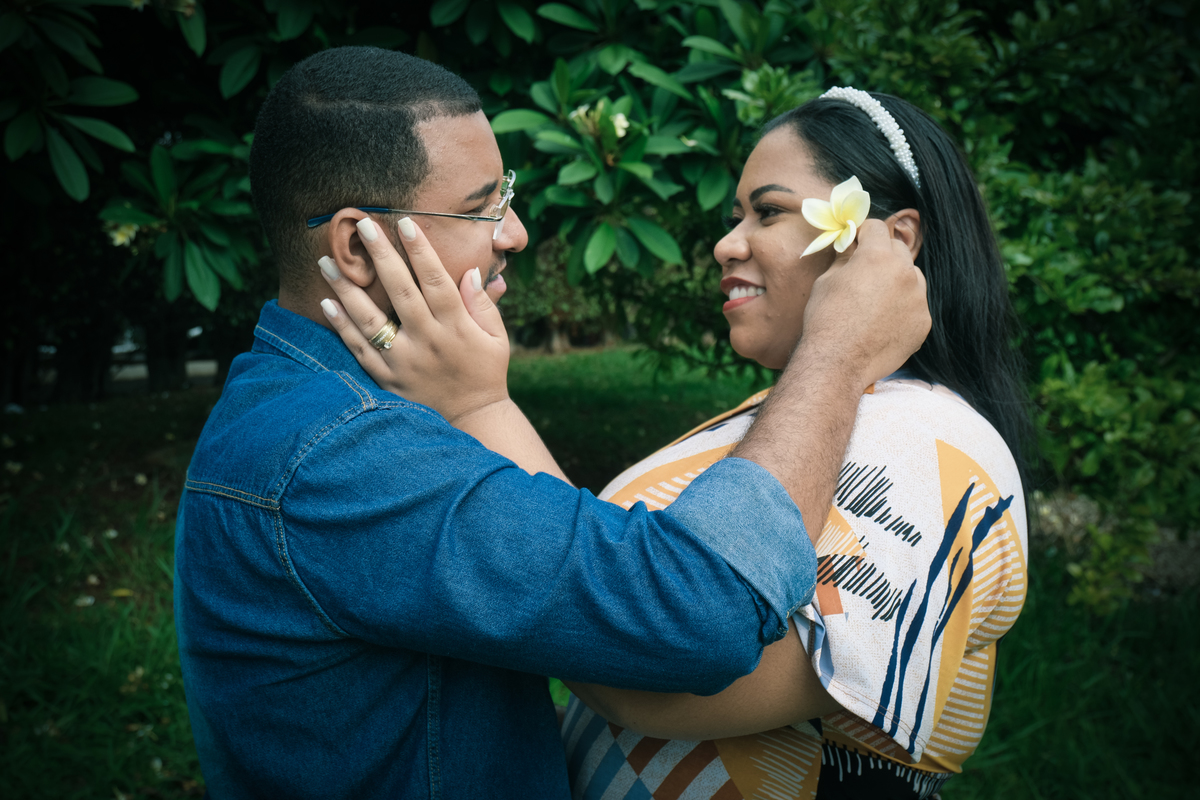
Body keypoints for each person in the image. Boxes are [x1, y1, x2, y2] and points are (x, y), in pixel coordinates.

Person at [174, 48, 929, 799]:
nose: (515, 233)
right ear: (357, 246)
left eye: (506, 196)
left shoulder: (311, 406)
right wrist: (836, 351)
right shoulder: (343, 455)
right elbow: (699, 610)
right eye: (481, 209)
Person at [330, 88, 1031, 798]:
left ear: (892, 243)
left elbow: (654, 676)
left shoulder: (931, 450)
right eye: (735, 217)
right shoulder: (818, 410)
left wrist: (479, 406)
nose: (726, 244)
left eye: (769, 211)